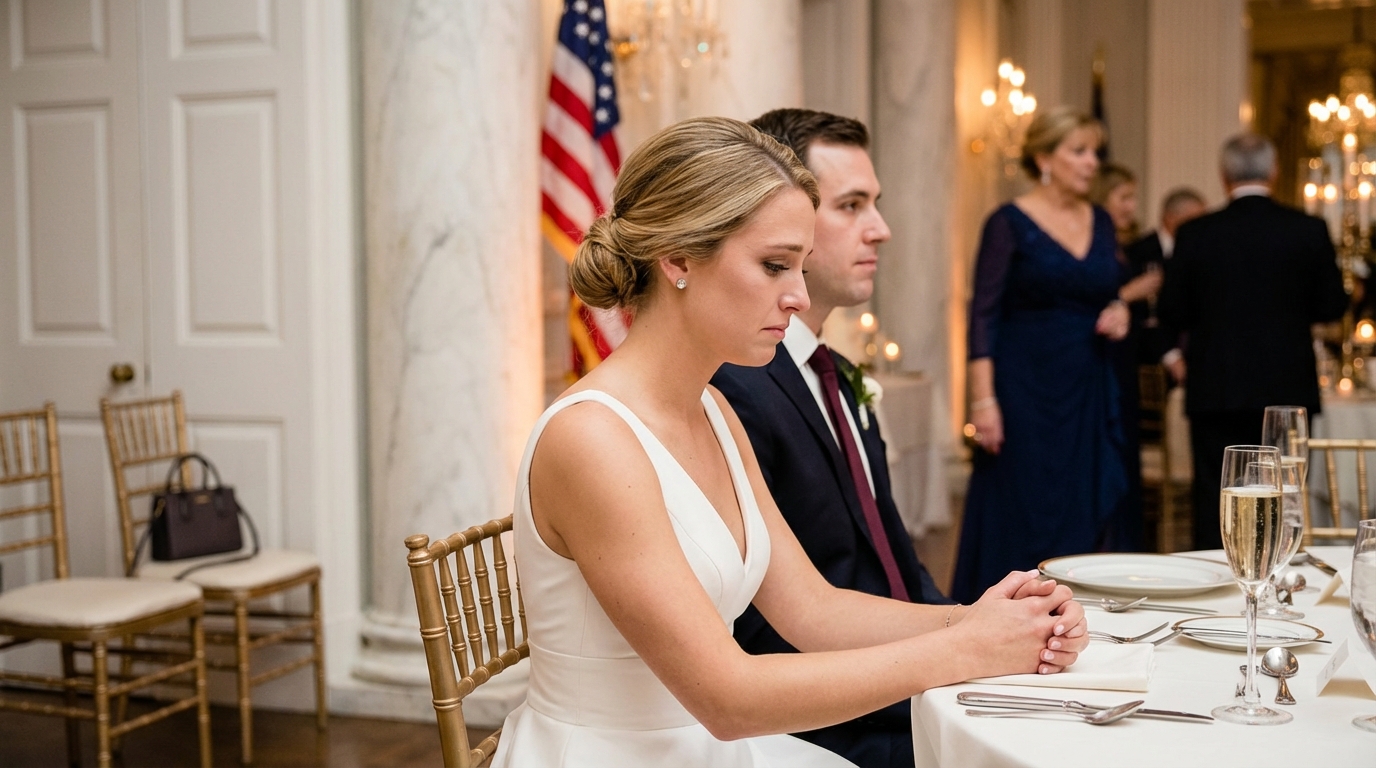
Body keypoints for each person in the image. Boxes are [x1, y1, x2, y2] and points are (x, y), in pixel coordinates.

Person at [491, 117, 1089, 768]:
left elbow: (813, 609)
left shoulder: (712, 408)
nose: (798, 295)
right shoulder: (592, 439)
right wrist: (966, 650)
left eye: (801, 266)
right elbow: (726, 698)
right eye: (775, 265)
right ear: (678, 259)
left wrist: (980, 618)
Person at [711, 109, 946, 768]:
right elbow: (759, 625)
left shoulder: (833, 372)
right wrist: (941, 658)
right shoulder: (735, 389)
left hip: (888, 666)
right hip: (824, 715)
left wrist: (975, 622)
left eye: (876, 203)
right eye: (852, 205)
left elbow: (890, 558)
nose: (882, 229)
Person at [952, 106, 1130, 604]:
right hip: (1024, 388)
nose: (1093, 162)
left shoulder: (1101, 221)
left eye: (1095, 151)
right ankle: (1006, 618)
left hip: (1088, 386)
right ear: (1044, 157)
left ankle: (1082, 618)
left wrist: (1120, 311)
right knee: (1022, 502)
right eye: (1079, 151)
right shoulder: (1007, 222)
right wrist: (983, 402)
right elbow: (982, 315)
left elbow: (1108, 291)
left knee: (1088, 498)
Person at [1157, 133, 1347, 551]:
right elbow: (1332, 305)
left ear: (1224, 176)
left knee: (1214, 497)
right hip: (1286, 392)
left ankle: (1213, 584)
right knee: (1284, 497)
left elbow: (1172, 311)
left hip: (1215, 387)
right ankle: (1277, 589)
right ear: (1274, 172)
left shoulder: (1196, 234)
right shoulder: (1307, 229)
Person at [1126, 188, 1207, 379]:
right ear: (1170, 218)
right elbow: (1143, 315)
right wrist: (1169, 354)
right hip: (1144, 361)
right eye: (1197, 220)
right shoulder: (1138, 252)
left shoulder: (1202, 253)